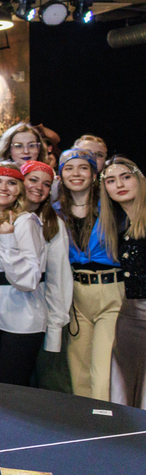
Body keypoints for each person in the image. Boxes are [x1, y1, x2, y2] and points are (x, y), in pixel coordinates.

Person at [55, 148, 120, 400]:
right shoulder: (55, 211)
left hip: (111, 290)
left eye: (83, 168)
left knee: (102, 371)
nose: (76, 173)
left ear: (94, 174)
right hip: (76, 293)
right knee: (78, 369)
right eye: (69, 168)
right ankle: (85, 421)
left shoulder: (112, 207)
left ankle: (104, 418)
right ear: (61, 175)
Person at [0, 162, 47, 387]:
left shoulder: (25, 223)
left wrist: (7, 239)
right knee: (3, 382)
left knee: (12, 385)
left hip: (20, 316)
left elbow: (29, 280)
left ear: (19, 190)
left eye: (11, 183)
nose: (3, 187)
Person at [21, 160, 73, 393]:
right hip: (6, 314)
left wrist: (55, 326)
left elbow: (58, 278)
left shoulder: (53, 223)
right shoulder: (3, 216)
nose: (39, 187)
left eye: (46, 184)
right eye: (33, 180)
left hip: (41, 312)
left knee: (48, 383)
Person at [99, 157, 146, 408]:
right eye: (111, 180)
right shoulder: (119, 225)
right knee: (127, 389)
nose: (119, 184)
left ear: (139, 178)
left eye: (126, 177)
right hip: (129, 316)